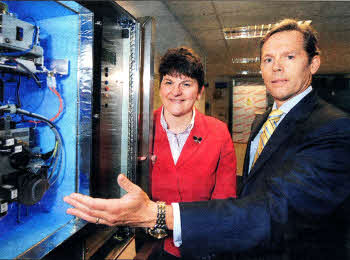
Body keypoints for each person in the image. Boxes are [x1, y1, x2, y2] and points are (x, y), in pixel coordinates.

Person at [64, 19, 350, 259]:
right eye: (268, 59)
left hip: (218, 245)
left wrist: (158, 216)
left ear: (313, 63)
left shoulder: (334, 127)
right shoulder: (261, 121)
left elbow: (269, 208)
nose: (276, 67)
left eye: (289, 57)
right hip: (156, 244)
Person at [146, 47, 237, 259]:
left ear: (199, 92)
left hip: (202, 244)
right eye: (169, 82)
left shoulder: (218, 132)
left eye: (186, 84)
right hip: (150, 245)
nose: (175, 92)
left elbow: (224, 199)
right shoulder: (140, 127)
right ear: (160, 88)